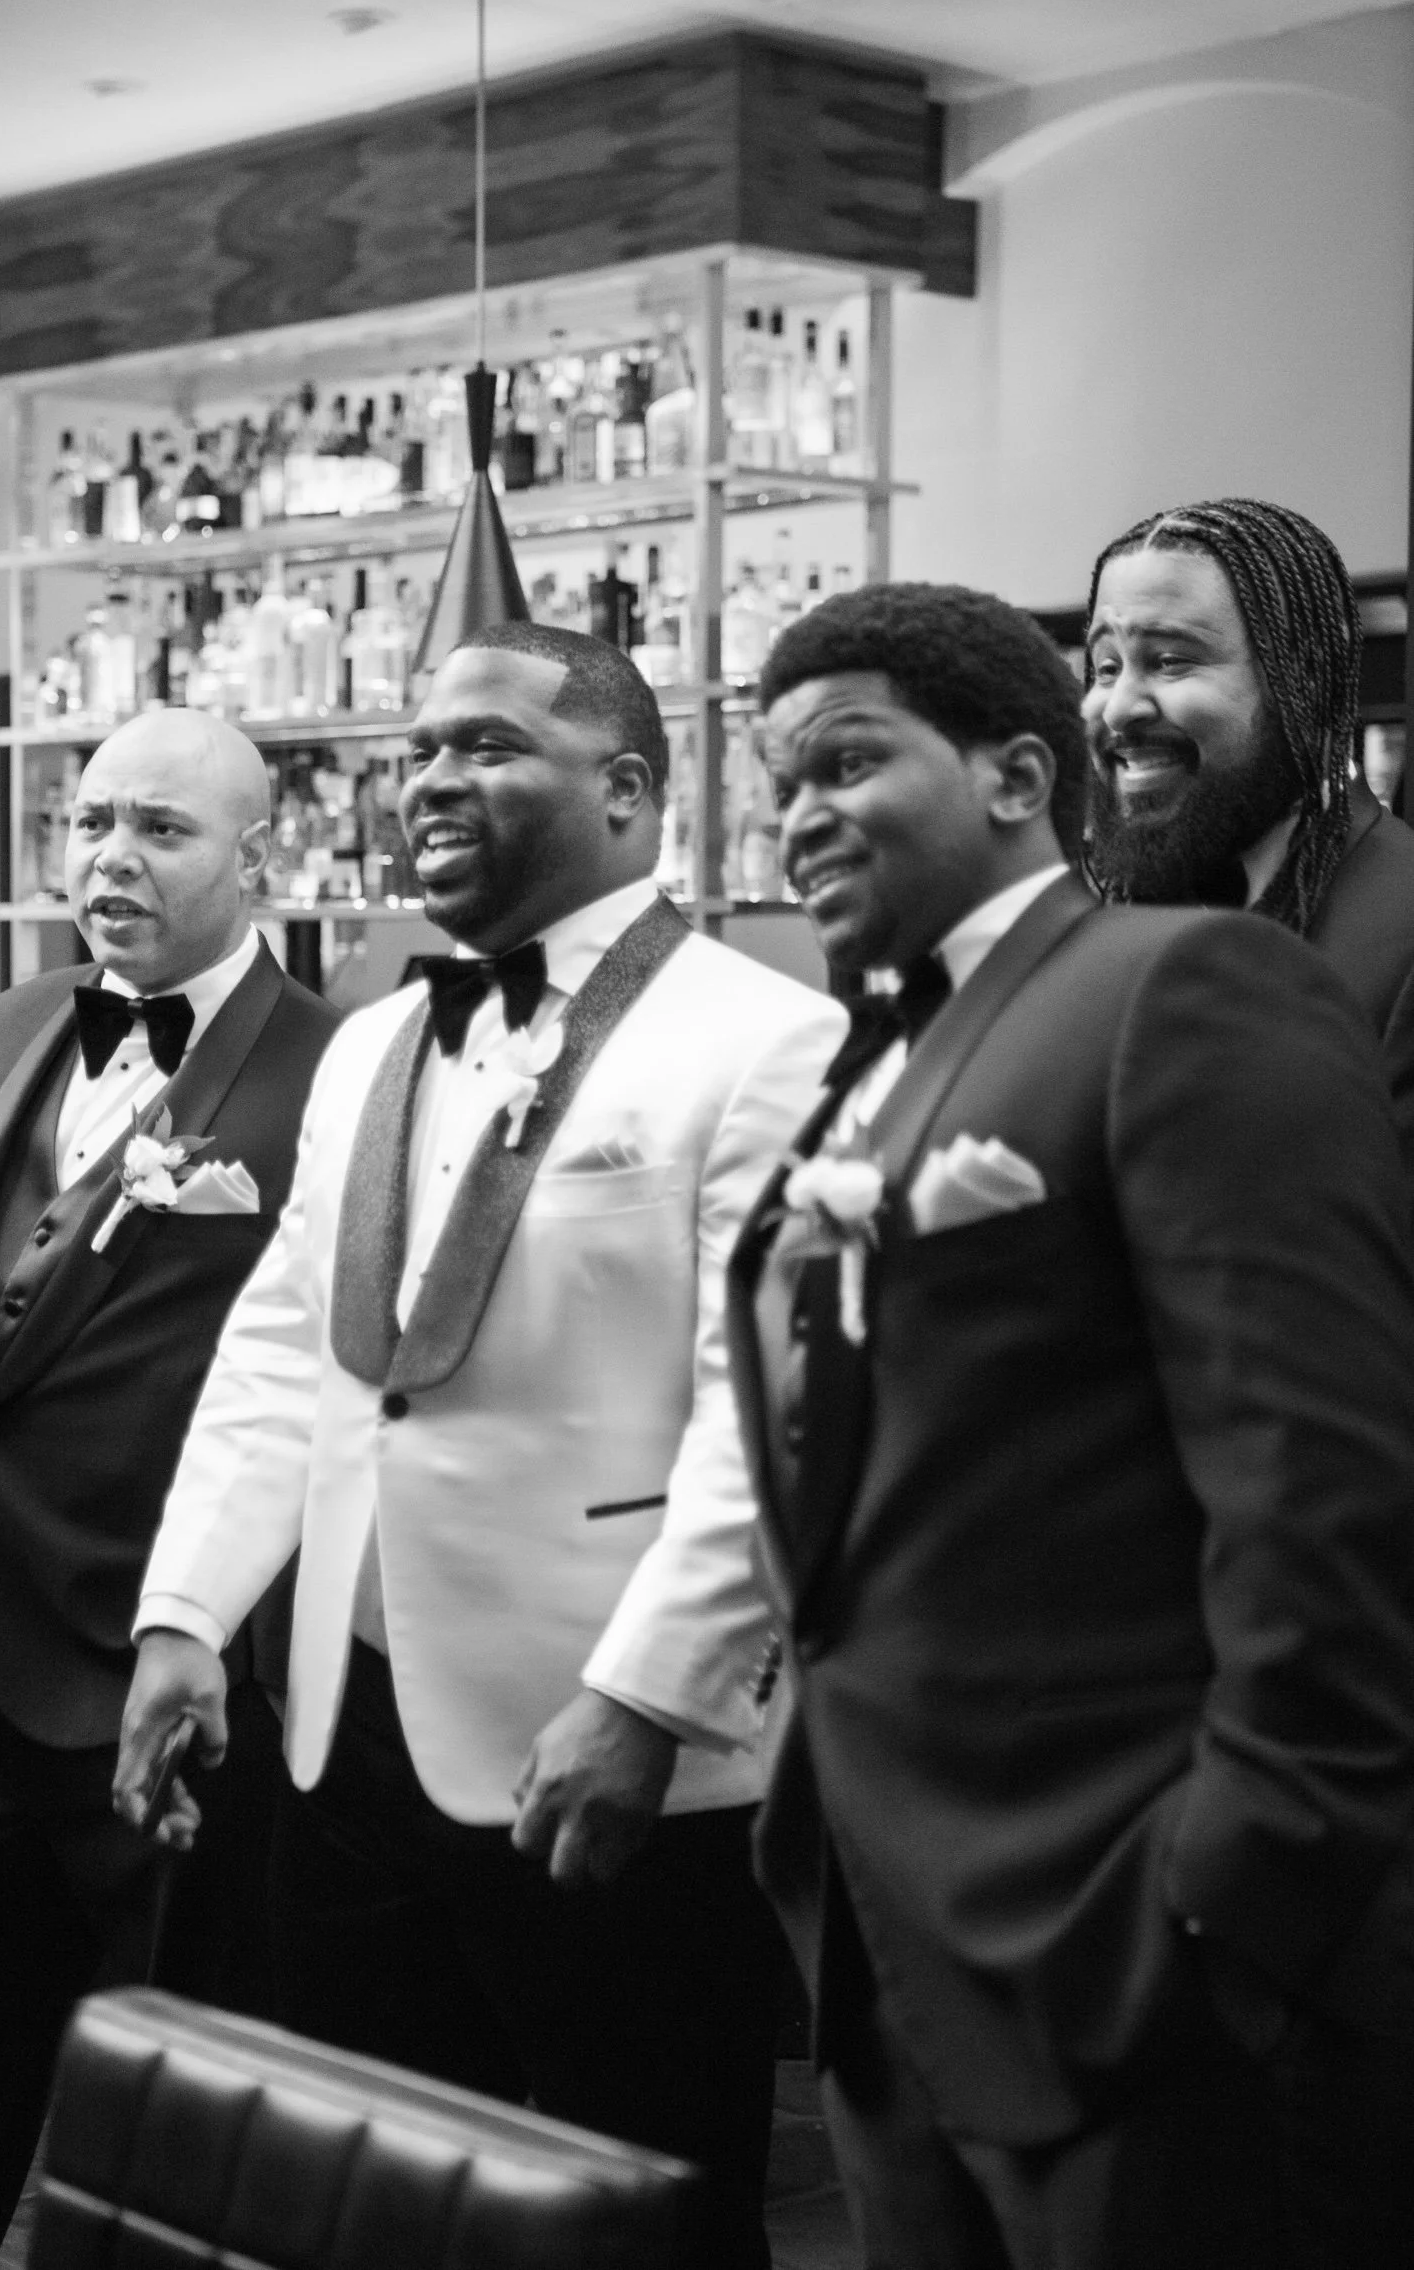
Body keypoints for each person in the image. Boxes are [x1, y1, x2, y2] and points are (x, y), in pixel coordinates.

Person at [114, 626, 847, 2270]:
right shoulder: (375, 1037)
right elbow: (288, 1343)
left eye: (490, 746)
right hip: (342, 1748)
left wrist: (646, 1695)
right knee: (373, 2206)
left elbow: (767, 1417)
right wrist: (185, 1615)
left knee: (632, 2214)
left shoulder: (763, 1040)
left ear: (629, 789)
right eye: (421, 746)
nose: (433, 777)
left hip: (603, 1759)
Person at [729, 583, 1414, 2270]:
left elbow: (1325, 1496)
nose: (793, 813)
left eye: (842, 761)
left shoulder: (1179, 986)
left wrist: (1221, 1909)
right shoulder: (868, 1056)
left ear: (1017, 773)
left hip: (1128, 1964)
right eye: (770, 781)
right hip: (890, 1966)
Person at [0, 709, 337, 2270]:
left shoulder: (337, 1065)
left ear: (260, 856)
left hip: (164, 1680)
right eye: (92, 819)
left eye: (162, 830)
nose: (109, 856)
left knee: (173, 2132)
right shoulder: (8, 1022)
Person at [1083, 495, 1414, 1170]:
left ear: (1303, 682)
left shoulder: (1399, 932)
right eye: (1106, 667)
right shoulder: (1114, 919)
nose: (1118, 708)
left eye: (1170, 661)